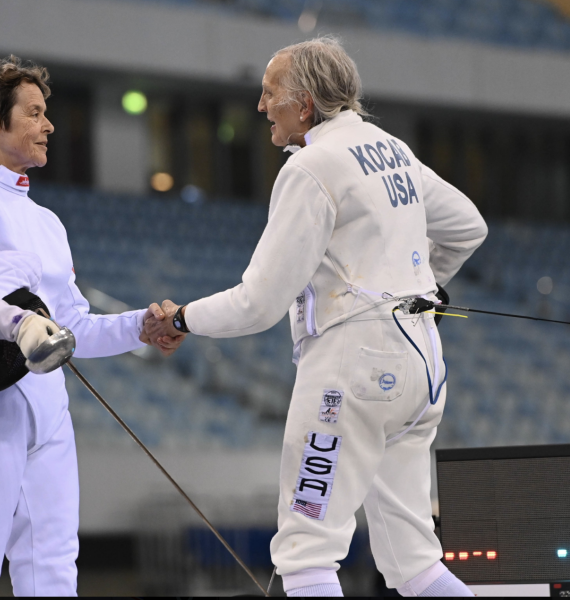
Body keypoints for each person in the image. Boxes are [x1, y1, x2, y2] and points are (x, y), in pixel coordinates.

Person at [146, 37, 487, 597]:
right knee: (414, 561)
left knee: (307, 555)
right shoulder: (391, 148)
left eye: (269, 93)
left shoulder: (312, 166)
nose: (260, 106)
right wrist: (430, 287)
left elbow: (258, 303)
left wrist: (182, 318)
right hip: (422, 366)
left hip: (350, 371)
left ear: (304, 104)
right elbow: (469, 226)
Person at [0, 55, 182, 597]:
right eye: (33, 113)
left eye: (46, 112)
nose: (48, 124)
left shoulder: (47, 223)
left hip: (47, 415)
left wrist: (140, 328)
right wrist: (14, 322)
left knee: (54, 575)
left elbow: (72, 322)